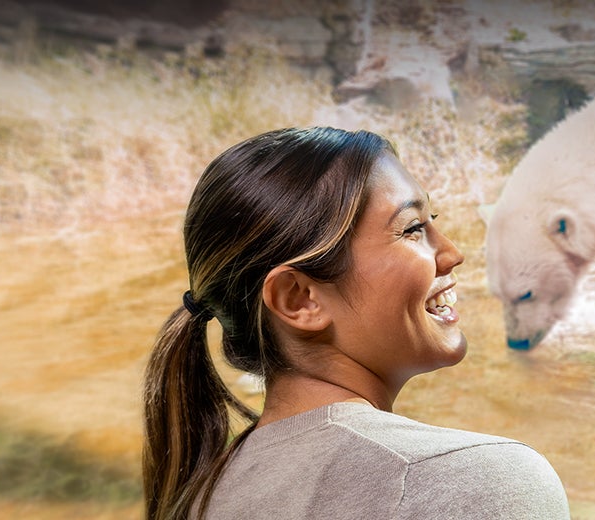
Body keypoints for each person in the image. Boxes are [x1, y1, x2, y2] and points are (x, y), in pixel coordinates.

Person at [142, 127, 569, 520]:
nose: (452, 254)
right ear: (300, 299)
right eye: (412, 229)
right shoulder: (474, 483)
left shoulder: (199, 500)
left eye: (432, 222)